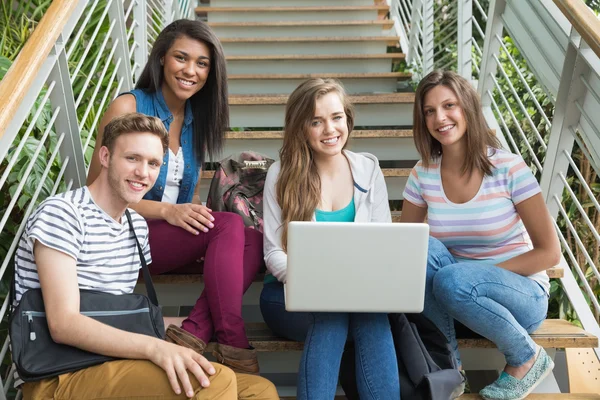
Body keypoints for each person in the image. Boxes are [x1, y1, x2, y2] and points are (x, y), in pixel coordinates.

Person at [14, 113, 278, 400]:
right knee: (217, 382)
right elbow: (63, 324)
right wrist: (156, 347)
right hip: (57, 373)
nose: (143, 172)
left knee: (259, 390)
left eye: (153, 163)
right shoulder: (63, 213)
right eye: (132, 158)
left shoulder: (135, 226)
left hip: (111, 362)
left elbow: (115, 314)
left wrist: (197, 323)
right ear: (105, 156)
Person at [87, 19, 264, 374]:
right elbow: (98, 191)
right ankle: (231, 338)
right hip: (120, 237)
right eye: (181, 58)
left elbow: (188, 193)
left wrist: (190, 216)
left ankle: (195, 329)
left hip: (160, 238)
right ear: (162, 59)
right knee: (228, 225)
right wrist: (168, 211)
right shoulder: (128, 106)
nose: (191, 70)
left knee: (252, 239)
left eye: (202, 63)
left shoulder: (197, 119)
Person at [401, 70, 561, 400]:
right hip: (454, 302)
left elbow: (549, 252)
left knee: (451, 280)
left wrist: (475, 276)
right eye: (429, 111)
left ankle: (526, 357)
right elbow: (407, 249)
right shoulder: (423, 174)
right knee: (423, 249)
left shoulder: (508, 168)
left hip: (520, 296)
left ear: (469, 108)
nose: (439, 118)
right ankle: (449, 371)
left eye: (449, 105)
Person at [260, 78, 400, 400]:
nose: (329, 129)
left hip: (356, 294)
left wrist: (348, 287)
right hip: (286, 295)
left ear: (347, 119)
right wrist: (321, 284)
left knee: (371, 313)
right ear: (301, 127)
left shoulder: (368, 168)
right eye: (316, 121)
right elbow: (273, 254)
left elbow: (381, 245)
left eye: (336, 117)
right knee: (332, 313)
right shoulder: (281, 175)